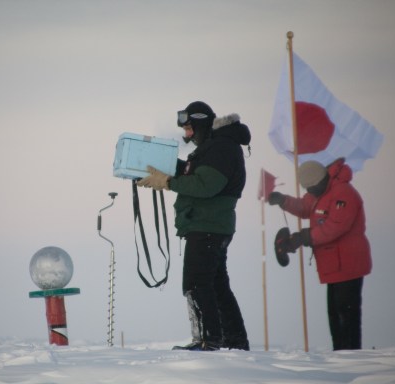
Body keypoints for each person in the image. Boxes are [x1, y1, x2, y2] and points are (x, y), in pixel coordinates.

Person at [137, 101, 251, 351]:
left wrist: (166, 181)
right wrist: (162, 166)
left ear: (200, 123)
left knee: (196, 284)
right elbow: (193, 173)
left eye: (189, 128)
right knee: (217, 286)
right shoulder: (216, 146)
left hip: (207, 226)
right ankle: (234, 342)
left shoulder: (220, 147)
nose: (187, 135)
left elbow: (205, 185)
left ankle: (207, 340)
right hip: (213, 225)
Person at [268, 159, 371, 350]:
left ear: (321, 180)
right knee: (334, 313)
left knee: (345, 314)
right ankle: (340, 353)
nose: (310, 192)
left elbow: (335, 227)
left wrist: (304, 237)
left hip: (349, 263)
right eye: (308, 189)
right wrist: (283, 200)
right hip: (333, 264)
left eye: (312, 188)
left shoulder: (343, 193)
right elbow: (305, 207)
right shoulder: (320, 191)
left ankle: (351, 356)